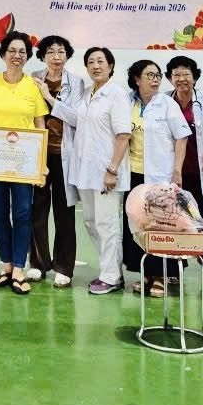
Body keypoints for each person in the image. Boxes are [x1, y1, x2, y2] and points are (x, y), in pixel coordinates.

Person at [40, 46, 131, 296]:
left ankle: (111, 277)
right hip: (86, 173)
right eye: (91, 62)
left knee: (107, 224)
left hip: (107, 172)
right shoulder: (88, 93)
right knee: (91, 222)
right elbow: (74, 119)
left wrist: (112, 169)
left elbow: (123, 135)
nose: (95, 66)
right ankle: (110, 270)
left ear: (111, 66)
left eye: (101, 61)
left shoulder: (117, 94)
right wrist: (49, 98)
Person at [0, 31, 49, 296]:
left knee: (22, 214)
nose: (17, 56)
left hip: (24, 165)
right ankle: (6, 265)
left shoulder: (33, 86)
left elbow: (40, 125)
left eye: (22, 52)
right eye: (12, 51)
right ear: (3, 54)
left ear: (27, 56)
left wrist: (41, 164)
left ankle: (19, 267)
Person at [121, 60, 192, 298]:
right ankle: (145, 274)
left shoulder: (167, 104)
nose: (155, 79)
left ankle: (161, 275)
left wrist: (177, 171)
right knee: (138, 225)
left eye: (157, 75)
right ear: (136, 79)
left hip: (160, 176)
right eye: (149, 75)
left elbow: (182, 137)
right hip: (133, 174)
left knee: (162, 225)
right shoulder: (128, 102)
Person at [28, 35, 85, 288]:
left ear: (67, 55)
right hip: (37, 154)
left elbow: (76, 118)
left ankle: (64, 267)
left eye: (61, 52)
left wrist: (50, 98)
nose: (56, 57)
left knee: (64, 212)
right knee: (37, 210)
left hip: (64, 154)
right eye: (50, 52)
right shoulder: (33, 78)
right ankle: (37, 263)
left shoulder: (76, 82)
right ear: (43, 56)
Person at [165, 55, 203, 282]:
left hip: (202, 171)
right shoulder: (164, 101)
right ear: (170, 78)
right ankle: (176, 266)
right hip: (175, 172)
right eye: (176, 75)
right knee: (176, 219)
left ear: (195, 77)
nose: (181, 79)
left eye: (186, 74)